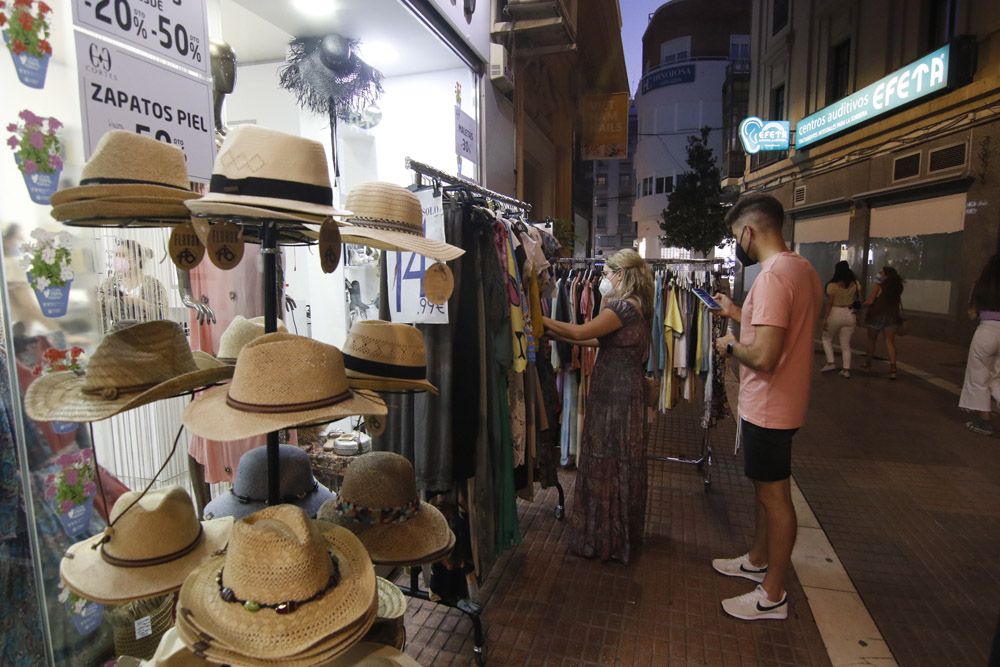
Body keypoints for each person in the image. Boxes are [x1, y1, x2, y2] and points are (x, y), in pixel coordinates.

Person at [711, 193, 822, 621]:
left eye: (735, 235)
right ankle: (757, 560)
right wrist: (737, 311)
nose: (737, 243)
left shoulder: (774, 276)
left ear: (748, 231)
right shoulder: (802, 269)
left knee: (775, 497)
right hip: (785, 402)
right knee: (765, 491)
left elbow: (765, 356)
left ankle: (771, 594)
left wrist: (730, 344)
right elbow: (785, 327)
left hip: (770, 405)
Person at [541, 248, 653, 564]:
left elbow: (581, 331)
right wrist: (552, 331)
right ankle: (617, 534)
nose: (603, 279)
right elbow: (595, 339)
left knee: (608, 458)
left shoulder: (621, 307)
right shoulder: (638, 305)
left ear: (621, 275)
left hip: (615, 394)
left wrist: (539, 319)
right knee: (620, 459)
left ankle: (604, 537)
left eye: (605, 274)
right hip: (624, 390)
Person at [959, 253, 1000, 436]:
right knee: (997, 378)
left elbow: (972, 314)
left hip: (987, 331)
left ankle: (985, 421)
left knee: (979, 375)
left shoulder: (981, 285)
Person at [97, 239, 168, 332]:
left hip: (147, 337)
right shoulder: (108, 284)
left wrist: (137, 302)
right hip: (117, 338)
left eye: (122, 255)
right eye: (116, 255)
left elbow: (162, 314)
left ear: (136, 260)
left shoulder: (154, 285)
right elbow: (100, 314)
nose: (118, 259)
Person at [820, 260, 862, 378]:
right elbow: (860, 299)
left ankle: (831, 362)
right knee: (845, 343)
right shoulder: (855, 284)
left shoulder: (832, 286)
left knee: (826, 338)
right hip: (850, 313)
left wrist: (825, 318)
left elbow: (830, 303)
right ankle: (846, 369)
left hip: (835, 312)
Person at [862, 265, 904, 379]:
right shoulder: (898, 287)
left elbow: (870, 300)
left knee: (872, 340)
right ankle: (893, 367)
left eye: (881, 273)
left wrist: (861, 305)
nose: (879, 274)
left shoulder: (879, 285)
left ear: (886, 275)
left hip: (877, 314)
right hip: (892, 316)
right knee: (890, 341)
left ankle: (867, 364)